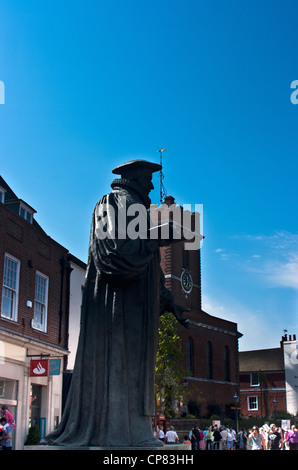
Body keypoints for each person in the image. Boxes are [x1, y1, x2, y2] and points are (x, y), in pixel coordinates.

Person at [46, 160, 190, 447]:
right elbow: (116, 253)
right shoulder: (112, 203)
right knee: (121, 362)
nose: (151, 185)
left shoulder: (137, 211)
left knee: (135, 365)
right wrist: (159, 236)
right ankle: (121, 434)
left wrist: (168, 300)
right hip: (117, 306)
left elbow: (150, 267)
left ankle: (134, 431)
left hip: (138, 307)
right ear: (134, 179)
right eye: (148, 179)